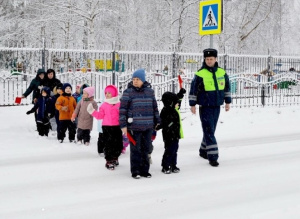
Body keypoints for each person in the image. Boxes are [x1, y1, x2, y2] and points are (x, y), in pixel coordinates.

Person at [189, 48, 231, 167]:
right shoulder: (200, 74)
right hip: (205, 107)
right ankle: (213, 156)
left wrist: (228, 102)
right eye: (207, 59)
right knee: (209, 130)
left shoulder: (222, 73)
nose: (209, 61)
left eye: (211, 59)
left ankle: (203, 151)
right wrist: (192, 104)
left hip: (217, 106)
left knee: (210, 130)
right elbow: (193, 89)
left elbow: (227, 88)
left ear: (215, 59)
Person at [119, 69, 160, 179]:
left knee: (146, 148)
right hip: (134, 126)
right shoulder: (128, 92)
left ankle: (145, 170)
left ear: (143, 80)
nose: (135, 81)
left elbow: (155, 108)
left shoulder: (150, 92)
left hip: (148, 125)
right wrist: (123, 125)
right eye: (134, 79)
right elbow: (123, 109)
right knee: (136, 149)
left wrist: (157, 122)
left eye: (138, 79)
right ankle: (135, 170)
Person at [87, 85, 123, 170]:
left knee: (118, 144)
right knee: (109, 144)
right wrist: (92, 111)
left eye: (109, 93)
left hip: (117, 127)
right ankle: (109, 160)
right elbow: (100, 116)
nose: (107, 94)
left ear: (114, 93)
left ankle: (115, 157)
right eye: (106, 93)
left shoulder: (119, 104)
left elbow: (122, 115)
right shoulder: (104, 105)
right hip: (107, 127)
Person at [156, 88, 186, 174]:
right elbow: (162, 122)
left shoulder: (174, 109)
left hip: (175, 134)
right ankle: (165, 166)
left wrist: (181, 94)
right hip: (168, 135)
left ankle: (173, 165)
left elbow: (178, 100)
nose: (178, 104)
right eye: (176, 103)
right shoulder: (165, 111)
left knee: (175, 150)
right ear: (171, 103)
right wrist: (165, 125)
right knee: (169, 150)